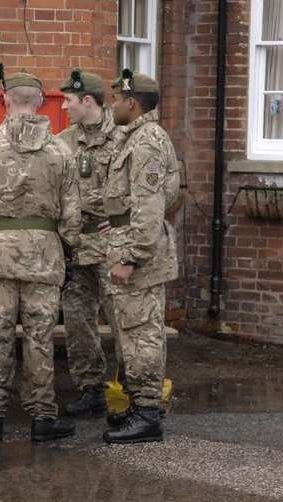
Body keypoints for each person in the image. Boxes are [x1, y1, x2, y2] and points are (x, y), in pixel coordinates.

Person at [0, 69, 82, 442]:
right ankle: (42, 415)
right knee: (40, 337)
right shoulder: (61, 151)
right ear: (41, 102)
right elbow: (72, 216)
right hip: (44, 255)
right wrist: (68, 251)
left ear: (6, 100)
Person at [101, 69, 180, 443]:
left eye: (116, 99)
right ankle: (138, 405)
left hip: (140, 256)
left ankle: (148, 414)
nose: (112, 104)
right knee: (132, 333)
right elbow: (133, 202)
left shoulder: (146, 140)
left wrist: (131, 255)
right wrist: (115, 224)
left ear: (131, 103)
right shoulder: (136, 136)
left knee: (142, 334)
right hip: (129, 240)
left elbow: (150, 206)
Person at [57, 69, 124, 418]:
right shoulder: (63, 141)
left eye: (68, 101)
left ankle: (132, 392)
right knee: (78, 320)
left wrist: (122, 222)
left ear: (87, 101)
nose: (64, 107)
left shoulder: (125, 138)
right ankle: (90, 388)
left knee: (122, 320)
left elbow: (149, 189)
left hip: (110, 245)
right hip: (75, 243)